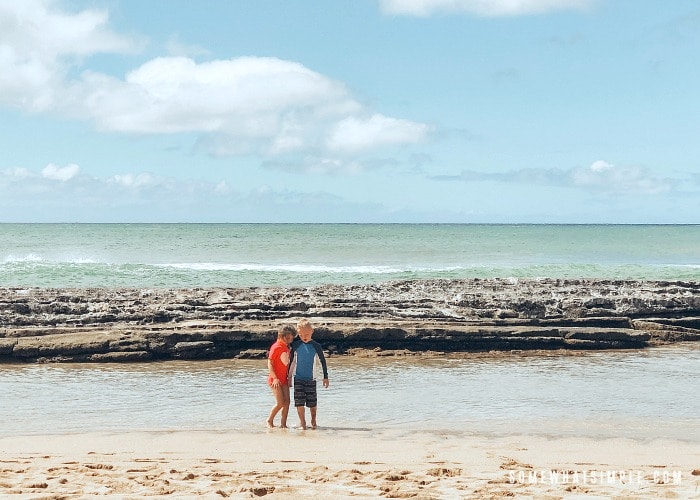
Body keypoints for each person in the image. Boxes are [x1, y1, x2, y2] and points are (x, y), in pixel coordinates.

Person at [288, 318, 329, 430]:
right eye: (301, 335)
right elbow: (291, 362)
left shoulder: (316, 346)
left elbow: (322, 361)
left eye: (306, 334)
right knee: (299, 402)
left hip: (311, 379)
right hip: (298, 379)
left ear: (312, 331)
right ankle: (303, 423)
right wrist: (289, 377)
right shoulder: (296, 345)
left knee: (312, 403)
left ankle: (313, 420)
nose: (304, 337)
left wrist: (325, 377)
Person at [266, 324, 296, 428]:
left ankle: (283, 424)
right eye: (287, 338)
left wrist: (289, 378)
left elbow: (287, 365)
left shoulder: (287, 347)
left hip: (284, 379)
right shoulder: (276, 347)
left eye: (291, 339)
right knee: (280, 403)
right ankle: (269, 420)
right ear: (280, 335)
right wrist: (274, 378)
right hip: (275, 379)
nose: (289, 340)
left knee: (287, 402)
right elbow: (270, 363)